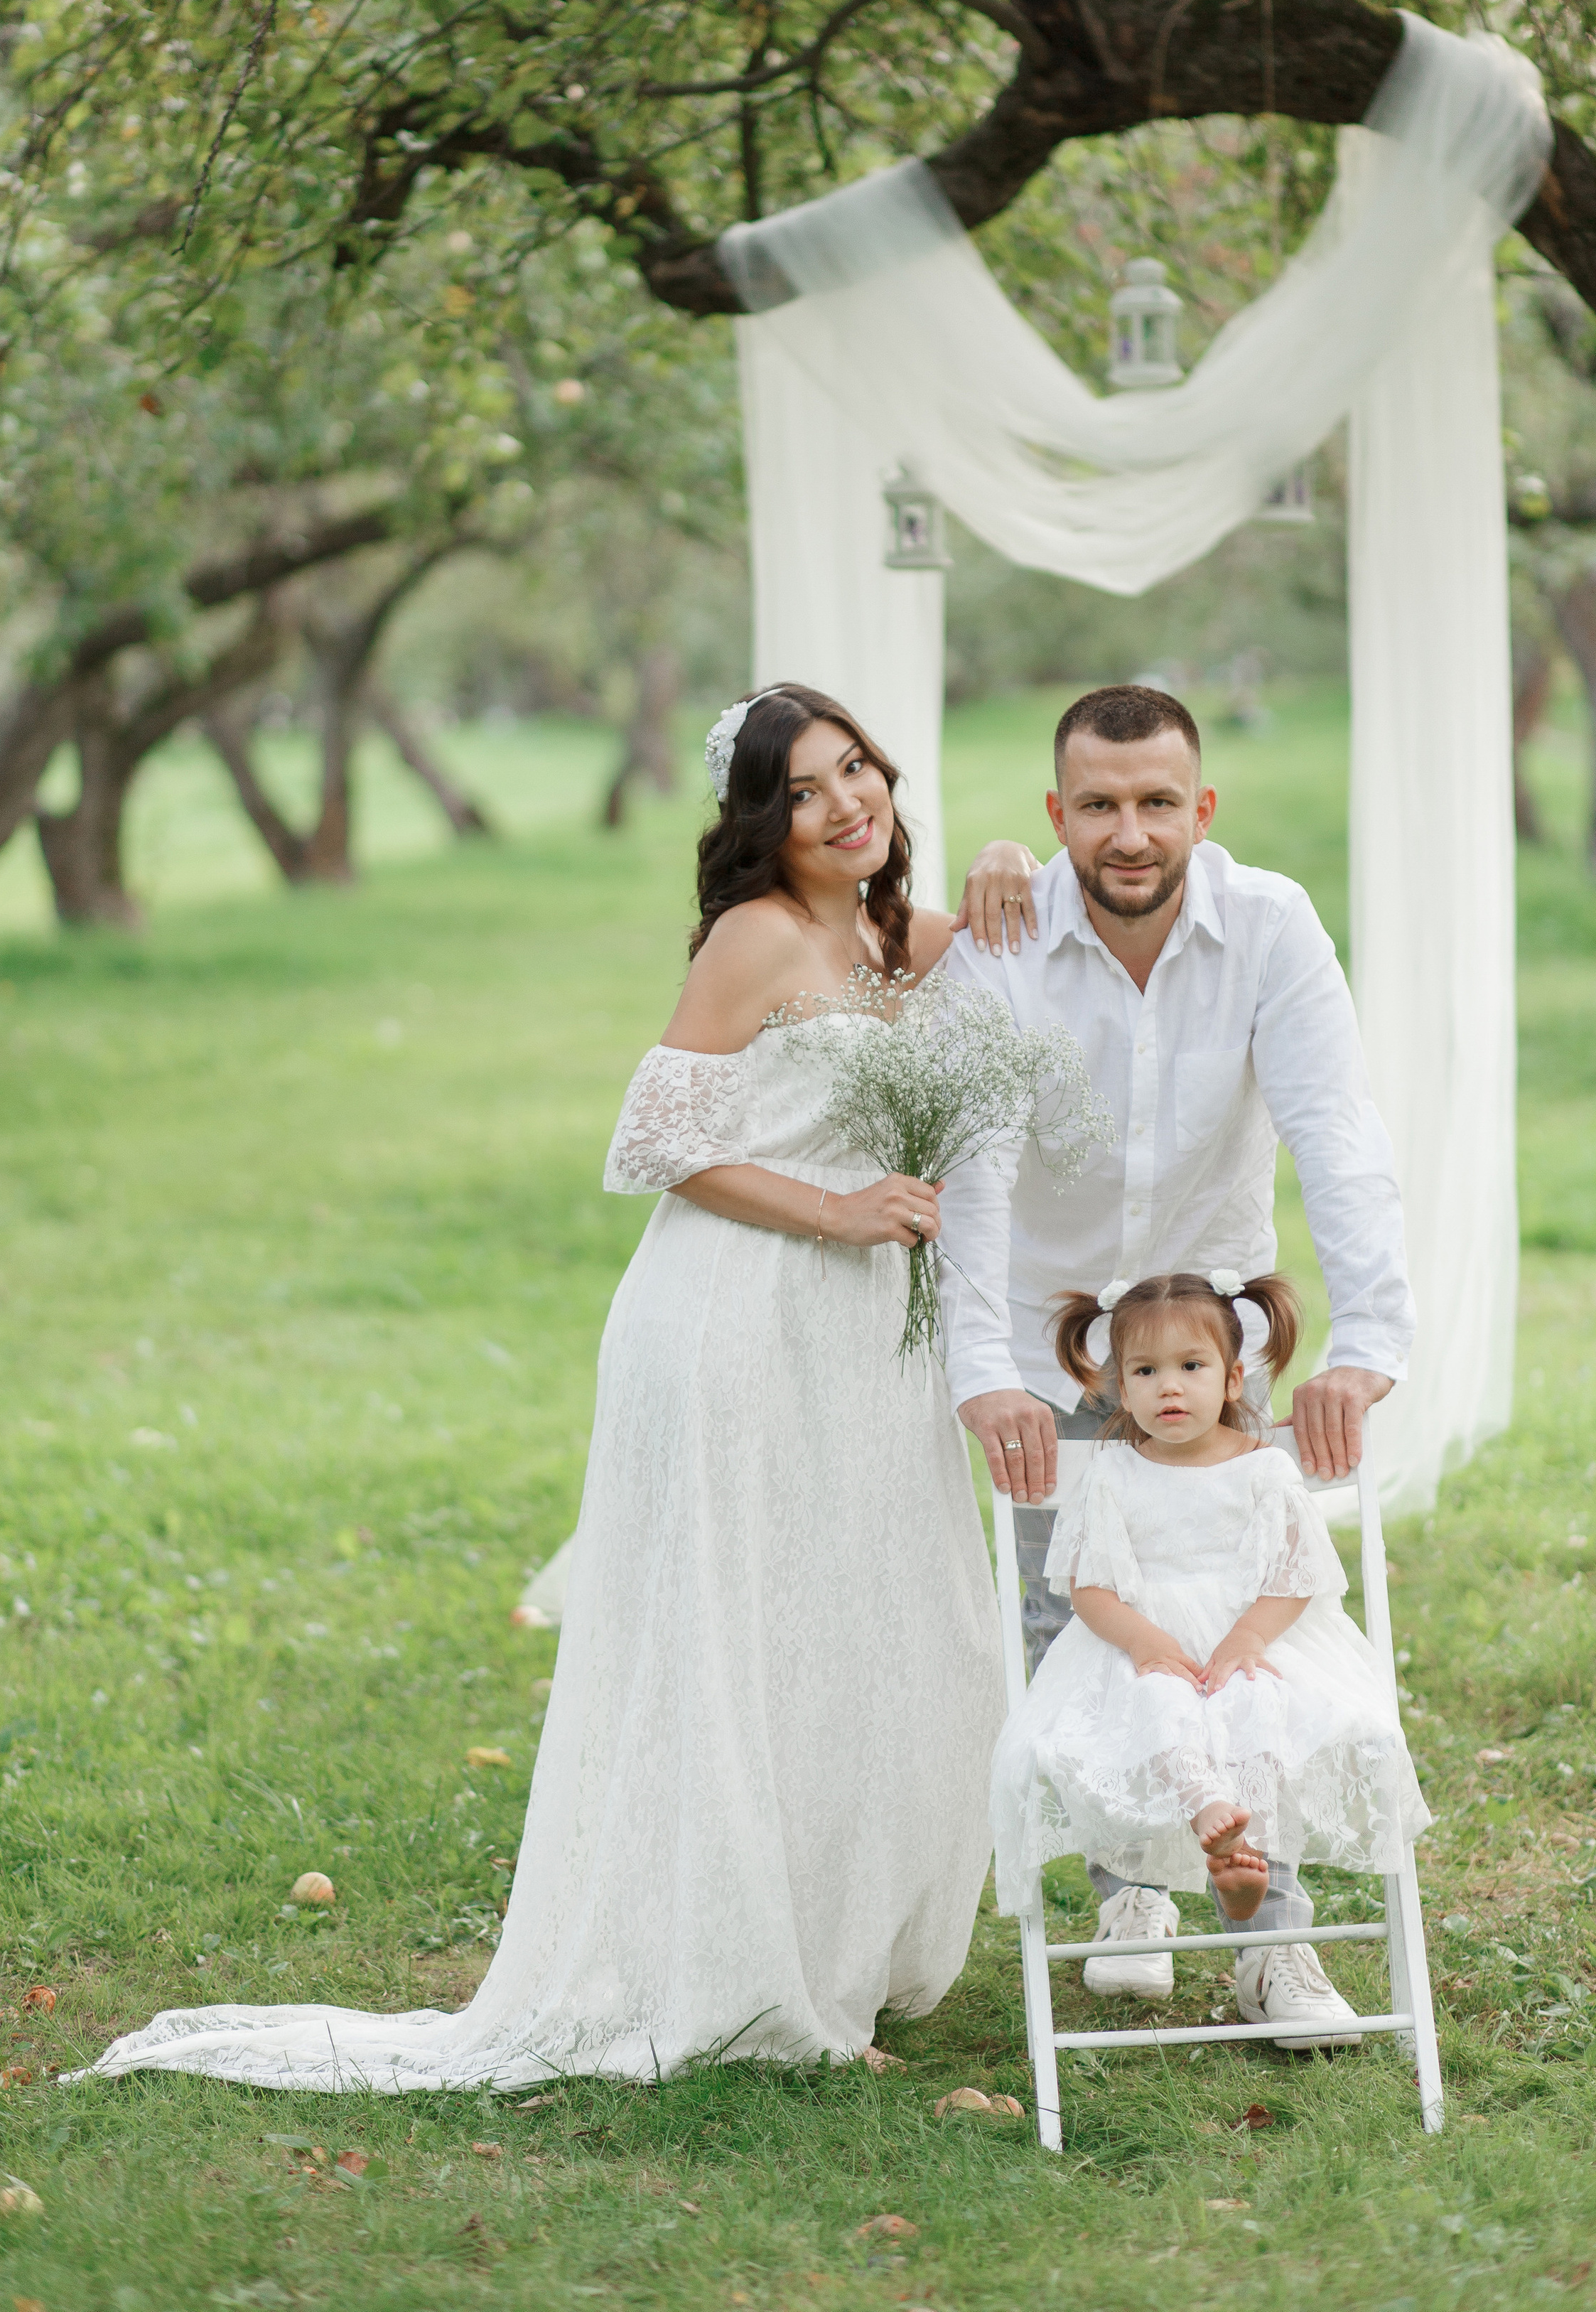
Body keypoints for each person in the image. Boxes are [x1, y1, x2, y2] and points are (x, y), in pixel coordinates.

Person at [74, 684, 1000, 2092]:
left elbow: (1028, 949)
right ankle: (734, 1973)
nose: (846, 802)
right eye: (805, 790)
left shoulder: (888, 935)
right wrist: (839, 1215)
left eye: (855, 768)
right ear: (762, 821)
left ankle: (831, 1944)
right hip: (735, 1317)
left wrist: (1011, 871)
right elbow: (656, 1144)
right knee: (733, 1632)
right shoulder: (755, 938)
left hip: (861, 1339)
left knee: (845, 1626)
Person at [939, 682, 1416, 2045]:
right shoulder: (1002, 945)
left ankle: (1274, 1946)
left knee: (1250, 1621)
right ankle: (1131, 1885)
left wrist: (1367, 1344)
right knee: (1074, 1623)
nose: (1130, 832)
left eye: (1158, 803)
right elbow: (972, 1182)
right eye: (1100, 805)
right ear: (1056, 816)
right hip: (1048, 1338)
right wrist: (986, 1373)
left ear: (1203, 810)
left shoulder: (1270, 926)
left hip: (1209, 1345)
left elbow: (1339, 1133)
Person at [990, 1270, 1430, 1950]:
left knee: (1256, 1703)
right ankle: (1209, 1822)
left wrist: (1250, 1640)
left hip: (1247, 1645)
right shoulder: (1113, 1473)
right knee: (1154, 1702)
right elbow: (1090, 1588)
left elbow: (1296, 1574)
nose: (1169, 1386)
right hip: (1147, 1645)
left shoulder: (1264, 1469)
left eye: (1191, 1366)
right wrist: (1142, 1643)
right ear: (1120, 1386)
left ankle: (1244, 1864)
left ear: (1231, 1380)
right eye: (1145, 1370)